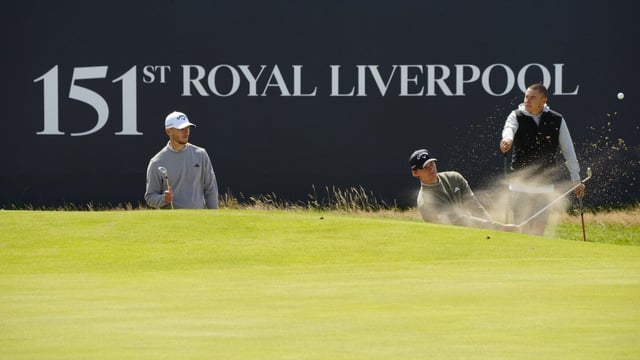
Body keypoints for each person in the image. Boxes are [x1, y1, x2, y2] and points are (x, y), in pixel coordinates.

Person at [499, 83, 585, 235]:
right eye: (526, 96)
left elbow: (568, 150)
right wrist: (508, 139)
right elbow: (509, 129)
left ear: (544, 100)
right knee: (523, 228)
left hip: (545, 184)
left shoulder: (556, 119)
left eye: (533, 98)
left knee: (539, 229)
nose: (527, 100)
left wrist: (575, 178)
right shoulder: (516, 115)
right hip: (520, 184)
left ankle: (534, 257)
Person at [410, 149, 520, 232]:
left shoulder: (454, 178)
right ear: (415, 173)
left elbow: (475, 207)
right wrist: (499, 227)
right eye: (425, 167)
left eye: (432, 164)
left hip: (469, 233)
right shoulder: (426, 202)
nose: (431, 169)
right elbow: (457, 221)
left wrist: (492, 228)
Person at [145, 111, 219, 209]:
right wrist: (163, 199)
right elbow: (150, 197)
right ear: (168, 131)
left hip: (200, 220)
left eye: (187, 127)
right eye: (181, 128)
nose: (186, 132)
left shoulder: (201, 154)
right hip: (173, 222)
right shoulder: (156, 162)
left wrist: (213, 216)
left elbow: (211, 189)